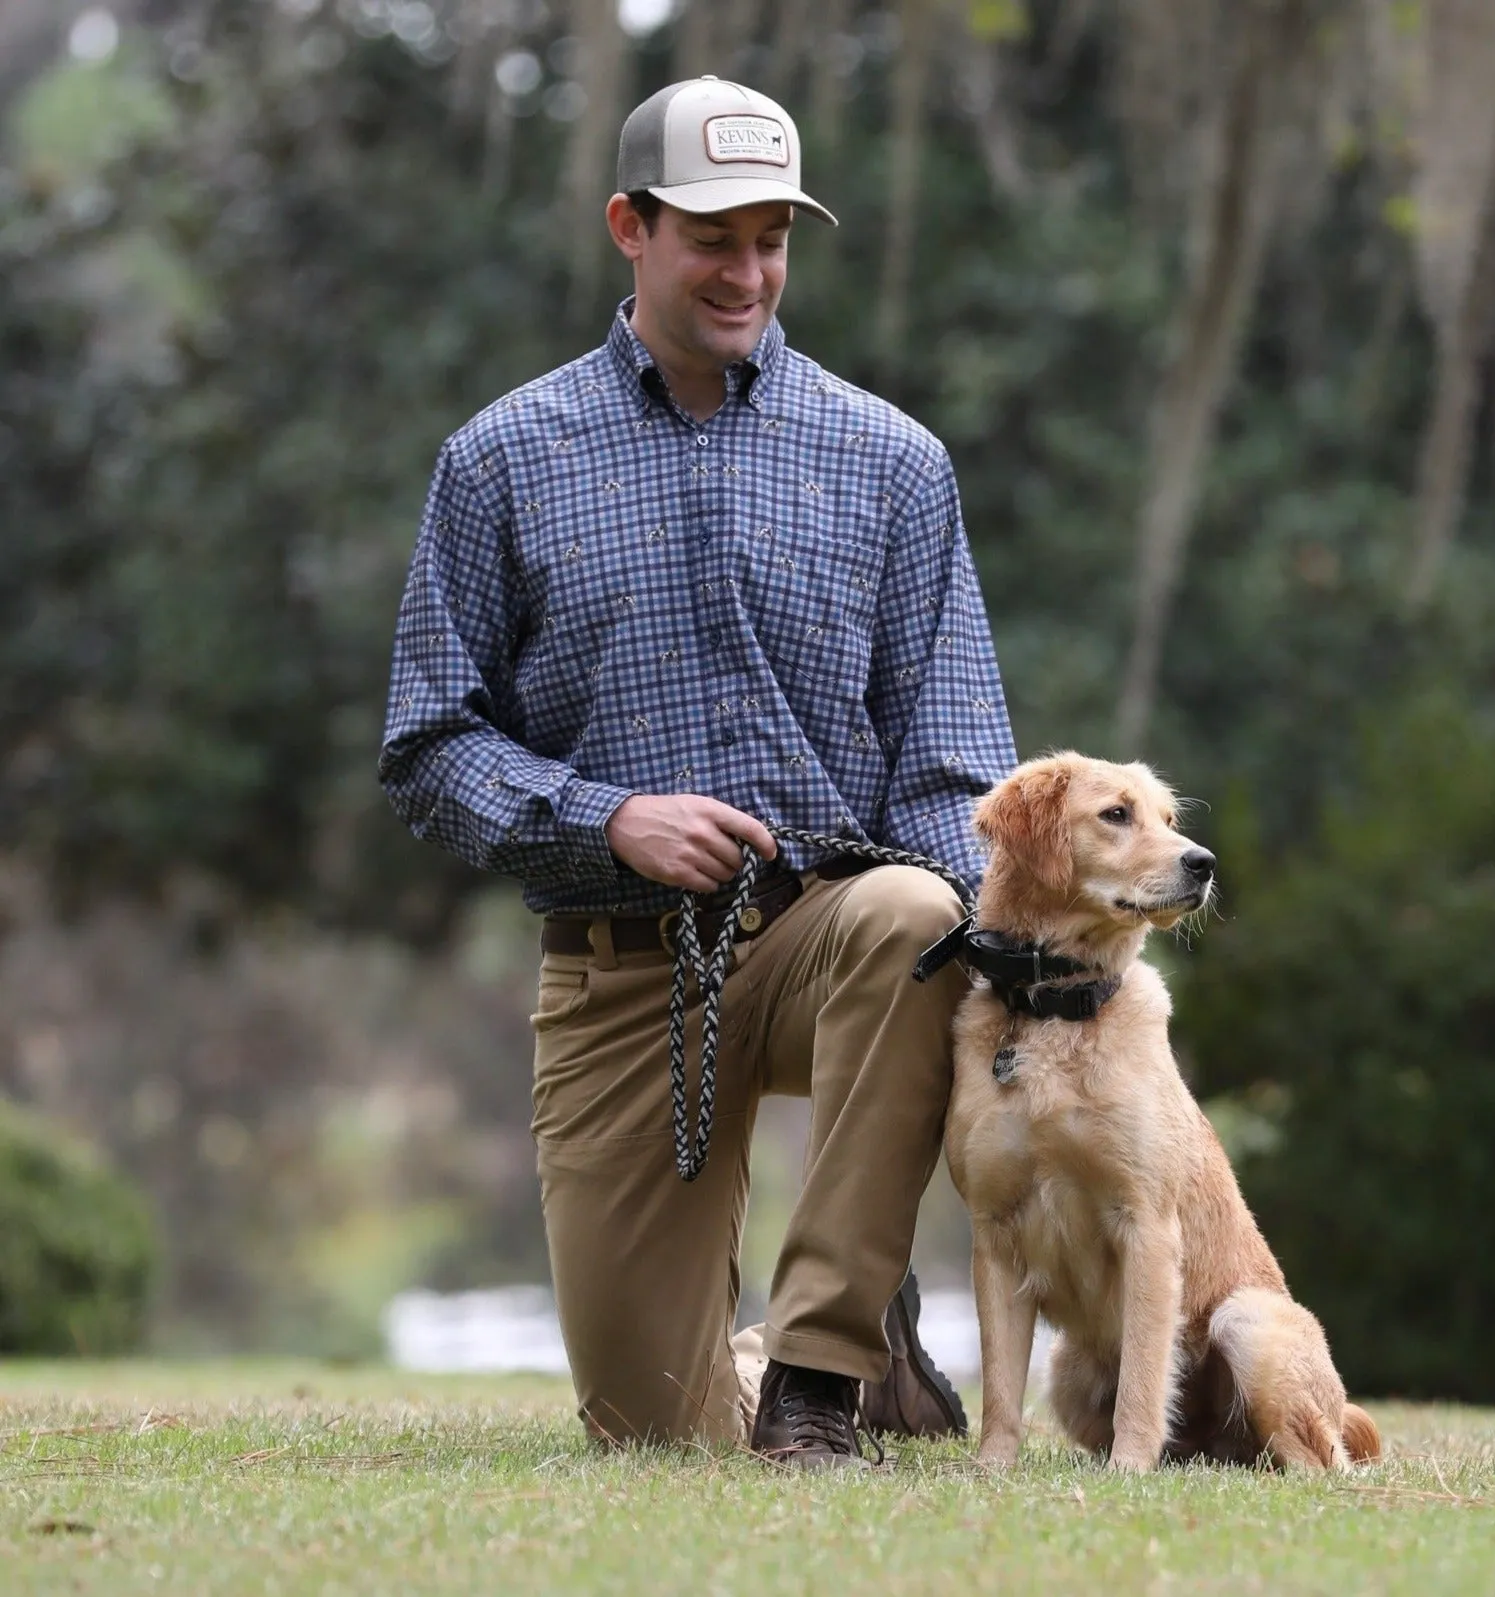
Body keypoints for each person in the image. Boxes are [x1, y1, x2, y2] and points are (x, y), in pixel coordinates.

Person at [379, 75, 1018, 1468]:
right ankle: (804, 1341)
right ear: (630, 226)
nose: (748, 273)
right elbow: (428, 749)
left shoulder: (894, 463)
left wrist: (1010, 951)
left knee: (913, 914)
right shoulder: (500, 460)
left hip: (826, 937)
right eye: (713, 237)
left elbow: (953, 766)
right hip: (619, 971)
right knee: (654, 1437)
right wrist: (606, 816)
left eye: (772, 238)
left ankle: (820, 1373)